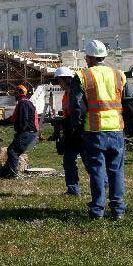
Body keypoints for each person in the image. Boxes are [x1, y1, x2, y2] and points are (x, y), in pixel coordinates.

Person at [69, 40, 127, 220]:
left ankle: (97, 209)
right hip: (116, 128)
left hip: (94, 130)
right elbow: (126, 100)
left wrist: (76, 127)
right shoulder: (119, 75)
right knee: (116, 170)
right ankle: (118, 209)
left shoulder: (83, 76)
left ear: (88, 57)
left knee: (97, 170)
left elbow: (76, 106)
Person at [0, 84, 40, 177]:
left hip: (27, 133)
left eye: (16, 93)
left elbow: (24, 120)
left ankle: (13, 173)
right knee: (13, 151)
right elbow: (13, 119)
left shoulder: (23, 104)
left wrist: (20, 132)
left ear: (19, 94)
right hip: (30, 133)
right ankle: (5, 172)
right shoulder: (26, 103)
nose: (15, 96)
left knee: (12, 151)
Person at [52, 66, 83, 195]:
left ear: (65, 79)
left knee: (89, 161)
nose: (59, 84)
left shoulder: (75, 92)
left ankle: (103, 186)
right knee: (69, 160)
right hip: (70, 131)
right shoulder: (67, 94)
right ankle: (73, 188)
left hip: (79, 131)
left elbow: (77, 111)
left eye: (59, 81)